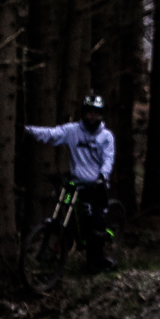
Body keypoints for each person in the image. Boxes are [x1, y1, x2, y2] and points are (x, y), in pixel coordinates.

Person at [25, 93, 118, 269]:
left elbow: (108, 159)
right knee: (65, 207)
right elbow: (51, 134)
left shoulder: (106, 136)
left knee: (95, 223)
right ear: (84, 112)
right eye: (89, 112)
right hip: (77, 184)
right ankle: (61, 246)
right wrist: (28, 130)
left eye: (96, 113)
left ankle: (97, 260)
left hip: (96, 187)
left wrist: (102, 176)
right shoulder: (72, 131)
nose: (92, 116)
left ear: (101, 114)